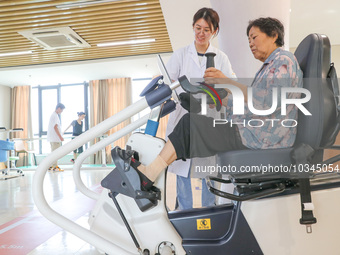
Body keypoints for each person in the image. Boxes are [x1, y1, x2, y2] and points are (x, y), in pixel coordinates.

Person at [120, 17, 303, 189]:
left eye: (254, 37)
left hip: (262, 138)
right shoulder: (269, 66)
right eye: (249, 40)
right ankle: (148, 174)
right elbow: (253, 103)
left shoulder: (283, 60)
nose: (251, 44)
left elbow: (268, 100)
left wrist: (227, 82)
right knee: (190, 124)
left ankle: (148, 175)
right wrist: (209, 103)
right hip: (254, 132)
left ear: (274, 35)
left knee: (190, 125)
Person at [165, 7, 237, 210]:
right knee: (183, 172)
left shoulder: (221, 57)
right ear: (193, 27)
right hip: (184, 117)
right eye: (198, 28)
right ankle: (185, 215)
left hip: (209, 119)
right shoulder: (180, 55)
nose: (201, 33)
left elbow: (233, 85)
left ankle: (210, 215)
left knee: (209, 172)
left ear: (214, 31)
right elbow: (168, 82)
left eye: (207, 29)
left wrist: (222, 82)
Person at [47, 103, 65, 172]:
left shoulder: (54, 115)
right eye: (62, 110)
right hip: (55, 138)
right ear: (58, 108)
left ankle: (52, 166)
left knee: (54, 152)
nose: (62, 111)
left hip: (53, 138)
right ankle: (54, 167)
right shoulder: (55, 116)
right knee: (55, 153)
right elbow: (55, 127)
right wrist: (60, 137)